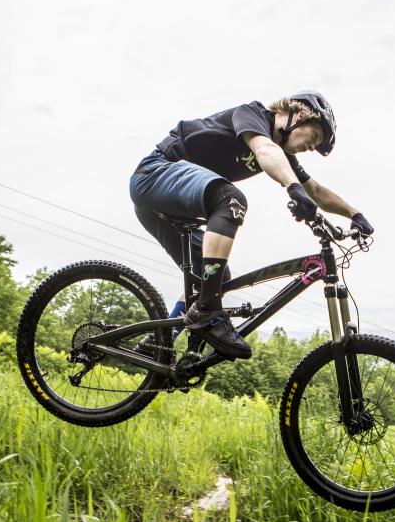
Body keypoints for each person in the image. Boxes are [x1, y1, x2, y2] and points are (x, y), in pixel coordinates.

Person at [129, 91, 374, 360]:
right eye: (314, 137)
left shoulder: (282, 154)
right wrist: (292, 188)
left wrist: (355, 214)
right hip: (154, 174)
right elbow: (265, 150)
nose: (311, 148)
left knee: (216, 277)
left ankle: (160, 343)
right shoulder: (251, 115)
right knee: (230, 200)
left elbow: (314, 189)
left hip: (163, 207)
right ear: (300, 115)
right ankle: (208, 312)